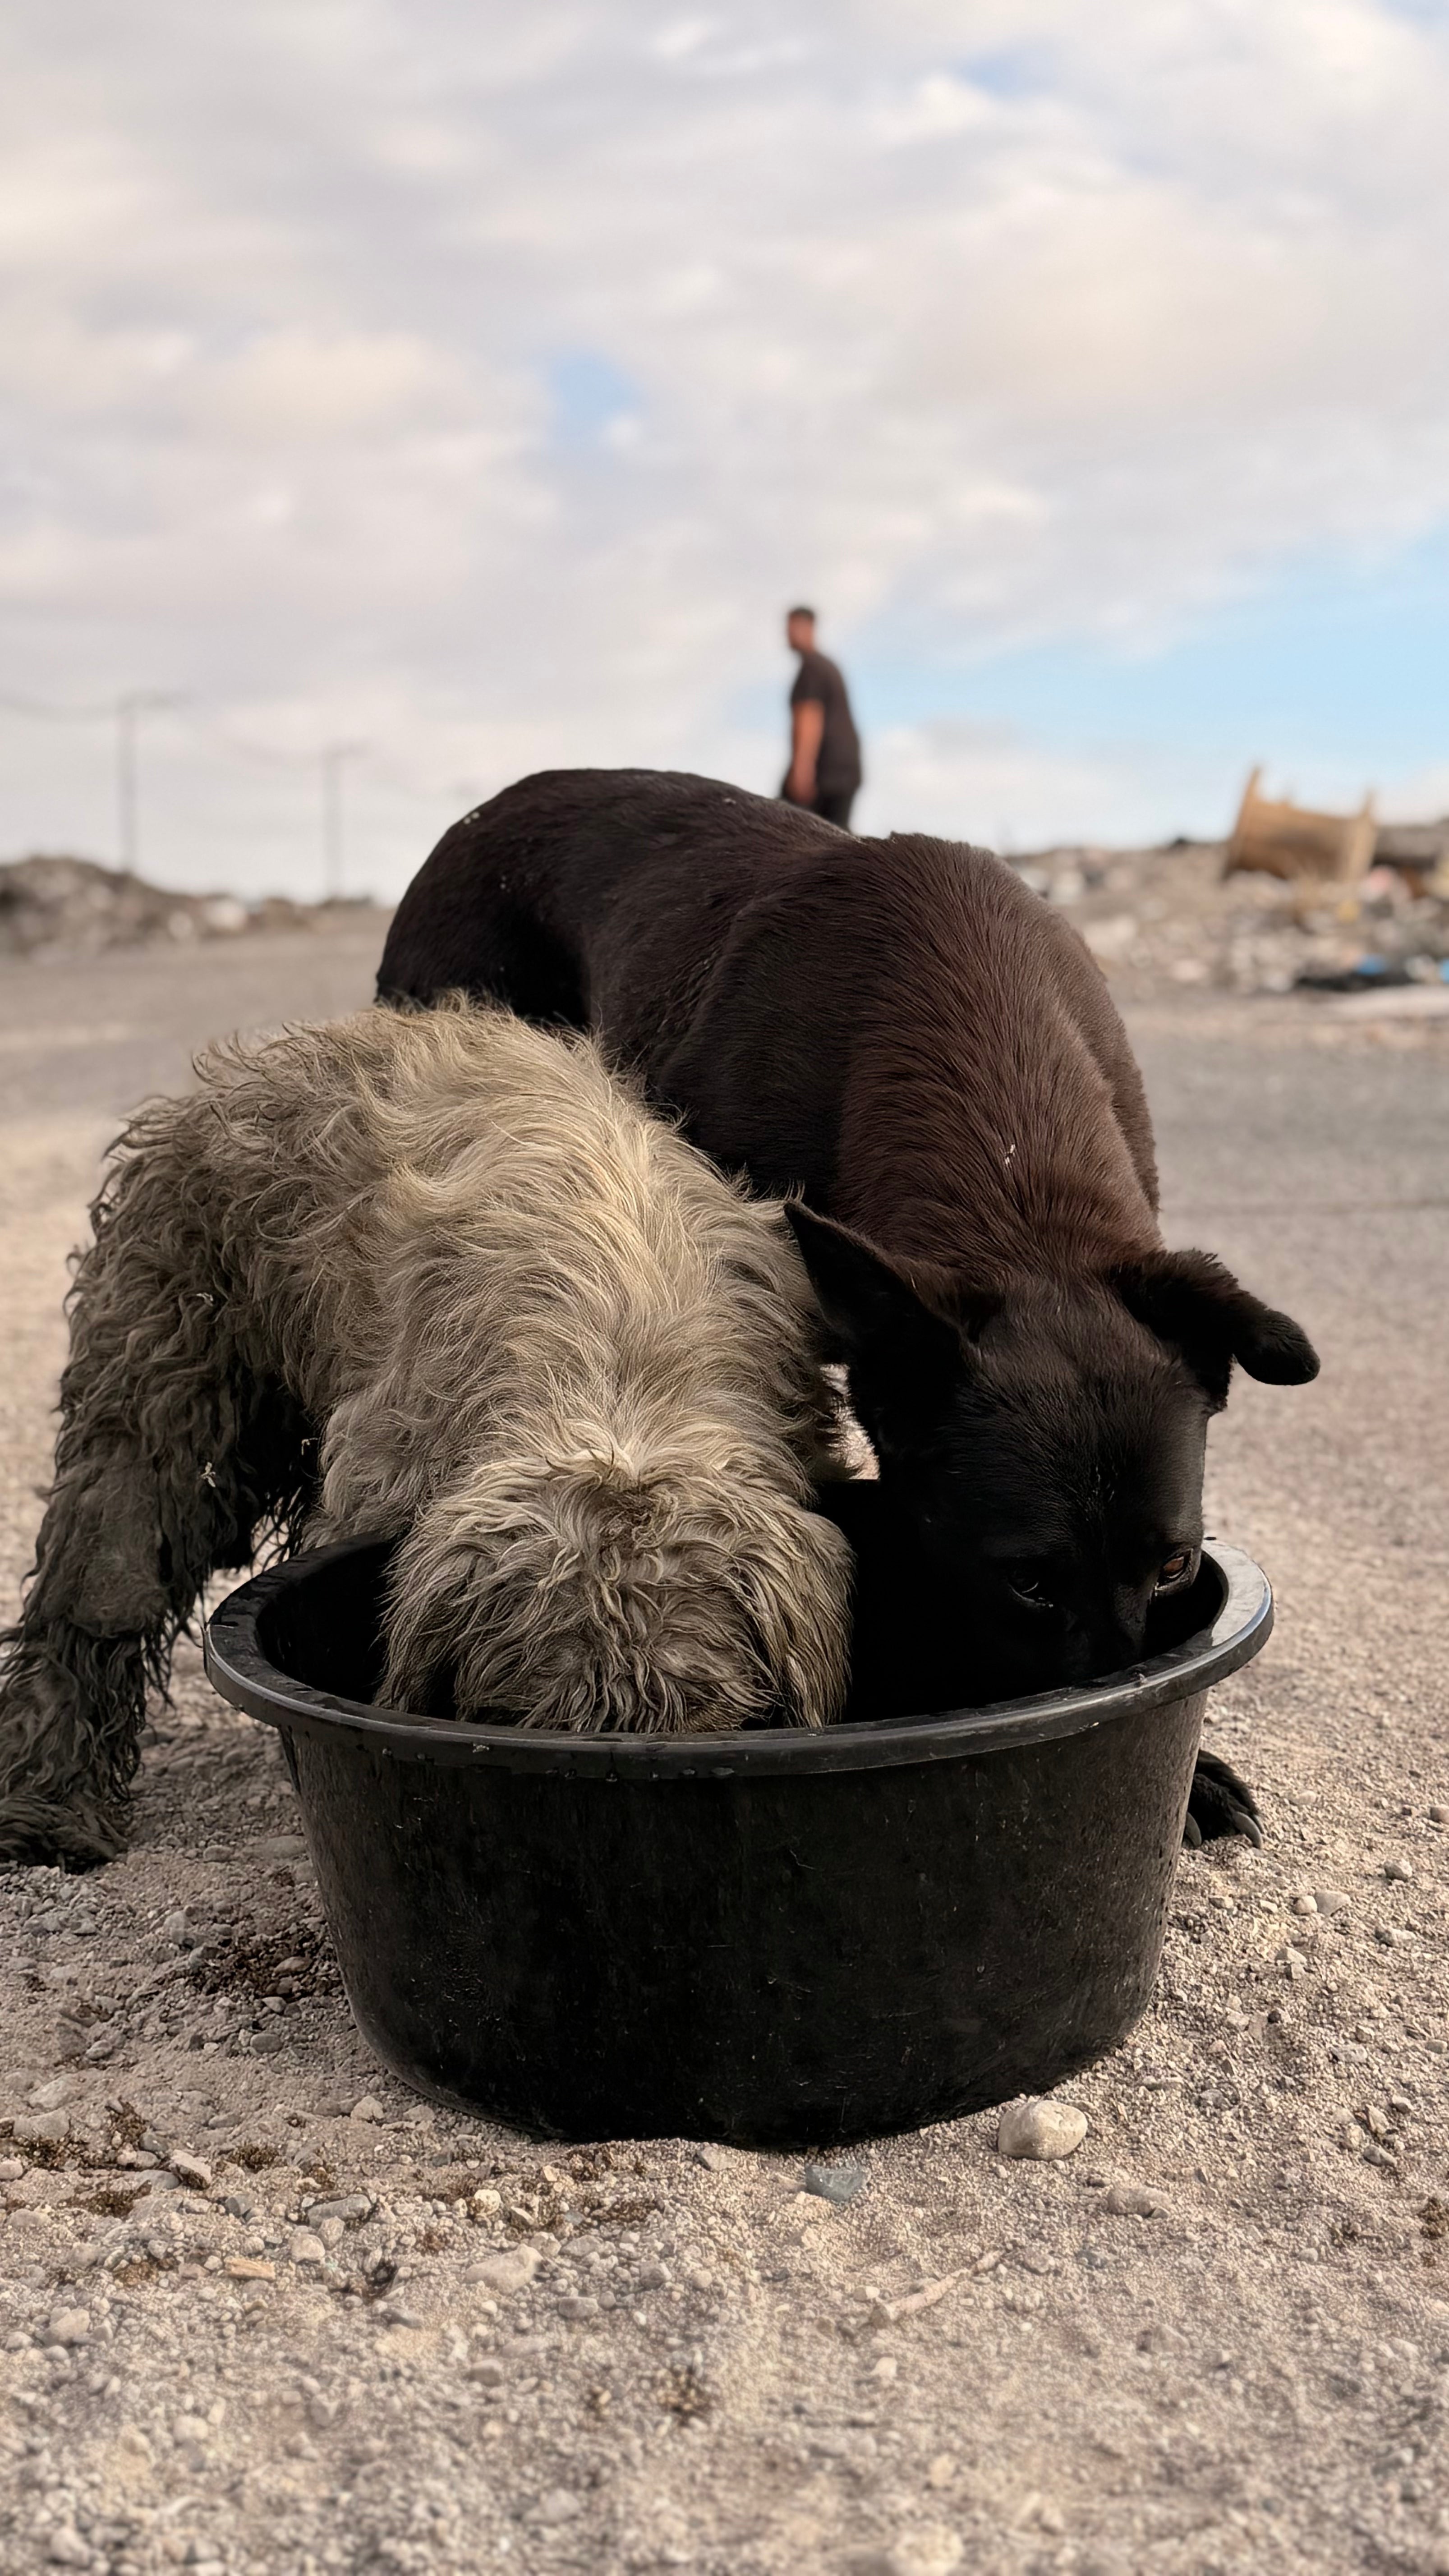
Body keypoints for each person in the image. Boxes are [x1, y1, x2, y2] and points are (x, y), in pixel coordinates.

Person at [781, 606, 862, 829]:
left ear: (809, 629)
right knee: (835, 842)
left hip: (825, 770)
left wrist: (802, 768)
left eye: (794, 627)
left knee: (780, 829)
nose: (788, 634)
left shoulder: (812, 668)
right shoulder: (826, 666)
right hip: (846, 769)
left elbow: (809, 717)